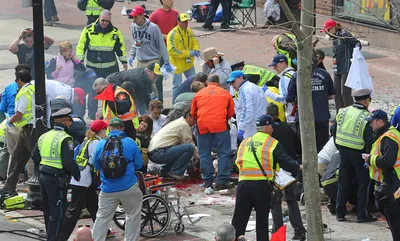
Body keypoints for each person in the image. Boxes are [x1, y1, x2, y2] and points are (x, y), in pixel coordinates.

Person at [231, 114, 302, 241]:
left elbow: (237, 163)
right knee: (262, 223)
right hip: (261, 186)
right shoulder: (272, 143)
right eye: (272, 127)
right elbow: (285, 161)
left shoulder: (245, 142)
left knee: (238, 221)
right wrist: (297, 167)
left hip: (243, 185)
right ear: (268, 127)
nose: (273, 130)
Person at [31, 98, 81, 241]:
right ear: (65, 121)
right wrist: (76, 175)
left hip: (43, 177)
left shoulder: (44, 136)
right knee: (57, 212)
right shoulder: (66, 138)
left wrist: (45, 164)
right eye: (69, 121)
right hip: (56, 179)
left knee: (47, 210)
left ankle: (50, 236)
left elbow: (34, 155)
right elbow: (68, 162)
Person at [58, 120, 115, 241]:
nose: (107, 132)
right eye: (106, 129)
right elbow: (98, 160)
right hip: (82, 182)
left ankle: (105, 231)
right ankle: (61, 237)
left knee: (94, 206)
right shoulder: (95, 142)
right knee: (73, 212)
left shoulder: (86, 141)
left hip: (81, 180)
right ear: (101, 130)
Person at [92, 117, 143, 241]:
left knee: (102, 218)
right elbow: (139, 164)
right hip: (128, 186)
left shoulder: (101, 144)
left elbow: (96, 165)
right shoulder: (130, 142)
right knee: (132, 215)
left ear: (109, 128)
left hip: (107, 189)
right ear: (122, 128)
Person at [331, 88, 376, 222]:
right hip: (359, 153)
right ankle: (362, 214)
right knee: (363, 183)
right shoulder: (366, 117)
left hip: (343, 151)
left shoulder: (343, 111)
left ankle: (340, 213)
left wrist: (339, 146)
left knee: (343, 182)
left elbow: (333, 130)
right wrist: (369, 158)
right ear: (367, 101)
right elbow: (369, 140)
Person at [76, 10, 127, 119]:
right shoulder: (89, 30)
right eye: (103, 20)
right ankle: (92, 116)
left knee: (110, 92)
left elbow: (120, 47)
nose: (105, 23)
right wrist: (80, 61)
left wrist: (124, 61)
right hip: (93, 68)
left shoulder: (115, 32)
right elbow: (81, 46)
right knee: (93, 92)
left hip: (110, 68)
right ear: (99, 18)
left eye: (107, 21)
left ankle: (110, 114)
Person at [266, 103, 305, 241]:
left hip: (277, 171)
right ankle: (299, 231)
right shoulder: (287, 128)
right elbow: (298, 147)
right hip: (290, 170)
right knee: (291, 200)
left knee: (275, 202)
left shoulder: (269, 133)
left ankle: (277, 234)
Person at [191, 74, 235, 189]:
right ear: (218, 83)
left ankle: (207, 181)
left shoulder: (199, 94)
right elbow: (230, 113)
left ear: (207, 83)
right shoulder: (225, 93)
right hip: (220, 126)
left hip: (203, 126)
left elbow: (193, 113)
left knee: (204, 154)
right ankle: (221, 180)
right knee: (223, 153)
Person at [362, 110, 400, 239]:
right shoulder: (387, 135)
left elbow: (388, 161)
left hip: (393, 186)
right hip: (391, 185)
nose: (370, 125)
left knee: (396, 226)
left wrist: (370, 159)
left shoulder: (388, 137)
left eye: (372, 122)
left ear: (379, 121)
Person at [286, 56, 336, 152]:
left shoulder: (297, 75)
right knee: (323, 150)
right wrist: (321, 97)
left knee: (306, 149)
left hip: (304, 117)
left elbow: (289, 98)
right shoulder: (324, 74)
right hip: (322, 117)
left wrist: (299, 102)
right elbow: (332, 95)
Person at [0, 69, 36, 196]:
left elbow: (19, 114)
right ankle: (9, 187)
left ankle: (38, 187)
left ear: (19, 80)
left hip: (29, 129)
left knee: (35, 158)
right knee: (16, 157)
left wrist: (10, 120)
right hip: (27, 129)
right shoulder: (34, 88)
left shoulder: (23, 92)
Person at [320, 19, 360, 111]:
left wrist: (357, 50)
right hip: (337, 68)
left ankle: (350, 112)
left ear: (333, 28)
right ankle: (340, 114)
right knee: (336, 93)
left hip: (346, 67)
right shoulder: (334, 39)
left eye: (327, 30)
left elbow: (356, 43)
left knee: (345, 93)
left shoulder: (344, 35)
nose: (326, 33)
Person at [148, 107, 198, 180]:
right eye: (194, 119)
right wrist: (202, 159)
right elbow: (191, 145)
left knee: (181, 148)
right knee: (189, 148)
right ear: (188, 116)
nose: (195, 123)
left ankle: (166, 170)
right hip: (158, 153)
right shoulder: (184, 125)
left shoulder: (178, 122)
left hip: (154, 153)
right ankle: (176, 172)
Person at [149, 0, 179, 102]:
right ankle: (159, 100)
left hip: (173, 49)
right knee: (159, 76)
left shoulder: (175, 14)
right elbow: (149, 31)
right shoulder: (155, 15)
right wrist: (164, 36)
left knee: (177, 74)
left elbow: (179, 30)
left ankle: (176, 100)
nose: (172, 1)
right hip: (159, 51)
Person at [226, 70, 267, 140]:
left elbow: (248, 110)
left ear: (241, 78)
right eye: (230, 83)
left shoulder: (246, 90)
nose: (232, 85)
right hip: (257, 126)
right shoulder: (254, 87)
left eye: (233, 81)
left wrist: (242, 128)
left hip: (250, 130)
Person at [167, 13, 200, 98]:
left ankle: (195, 102)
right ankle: (174, 104)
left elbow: (194, 42)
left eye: (186, 21)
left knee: (195, 83)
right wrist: (189, 53)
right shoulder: (172, 34)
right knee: (177, 86)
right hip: (176, 65)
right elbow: (172, 51)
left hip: (188, 64)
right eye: (183, 22)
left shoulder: (189, 31)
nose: (186, 23)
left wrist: (196, 49)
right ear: (178, 21)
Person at [129, 6, 171, 71]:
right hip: (140, 61)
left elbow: (162, 45)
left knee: (151, 80)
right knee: (140, 81)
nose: (133, 20)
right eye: (133, 17)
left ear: (142, 15)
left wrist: (166, 62)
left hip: (153, 60)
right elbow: (136, 41)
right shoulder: (134, 26)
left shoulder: (153, 28)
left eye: (135, 17)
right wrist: (132, 55)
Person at [264, 54, 296, 126]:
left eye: (276, 66)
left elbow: (283, 99)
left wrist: (267, 92)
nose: (274, 68)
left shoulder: (284, 78)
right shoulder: (294, 73)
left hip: (292, 115)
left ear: (284, 63)